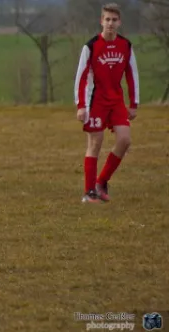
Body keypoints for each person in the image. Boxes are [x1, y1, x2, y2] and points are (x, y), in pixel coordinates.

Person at [74, 2, 139, 203]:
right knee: (95, 143)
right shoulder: (91, 46)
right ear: (101, 21)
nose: (110, 23)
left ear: (119, 22)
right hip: (96, 101)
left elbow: (132, 74)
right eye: (107, 19)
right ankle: (88, 192)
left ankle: (101, 182)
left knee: (124, 140)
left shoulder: (125, 45)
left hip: (116, 100)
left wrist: (134, 103)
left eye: (114, 20)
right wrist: (81, 105)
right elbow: (82, 77)